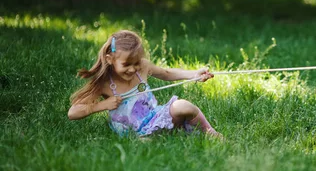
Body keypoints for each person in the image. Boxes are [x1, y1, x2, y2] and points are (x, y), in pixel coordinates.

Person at [68, 30, 222, 139]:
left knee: (183, 105)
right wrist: (103, 105)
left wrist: (193, 75)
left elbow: (166, 73)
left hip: (156, 119)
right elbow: (73, 112)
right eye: (127, 64)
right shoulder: (105, 83)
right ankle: (160, 137)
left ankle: (210, 133)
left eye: (136, 63)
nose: (132, 69)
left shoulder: (142, 67)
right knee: (143, 144)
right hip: (133, 134)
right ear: (110, 59)